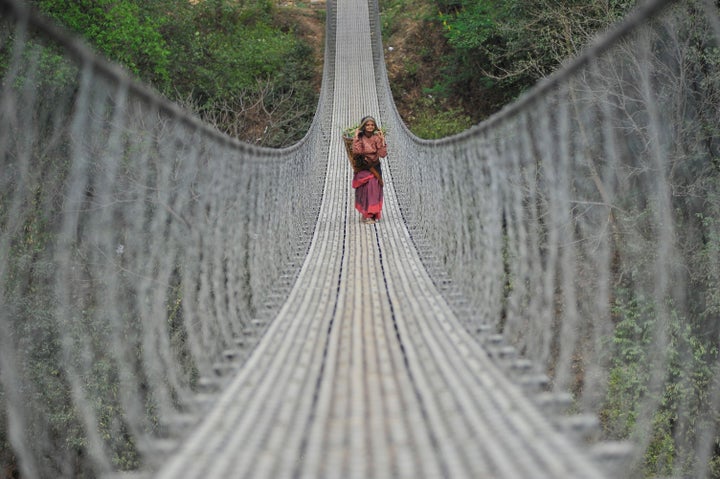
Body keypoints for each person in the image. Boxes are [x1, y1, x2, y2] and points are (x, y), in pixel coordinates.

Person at [351, 116, 387, 224]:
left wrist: (382, 140)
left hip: (374, 167)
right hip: (364, 167)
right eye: (367, 125)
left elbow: (383, 154)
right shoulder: (360, 138)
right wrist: (356, 137)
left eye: (372, 125)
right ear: (363, 126)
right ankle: (366, 214)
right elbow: (357, 152)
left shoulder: (376, 138)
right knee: (364, 191)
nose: (370, 127)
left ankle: (371, 215)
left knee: (374, 190)